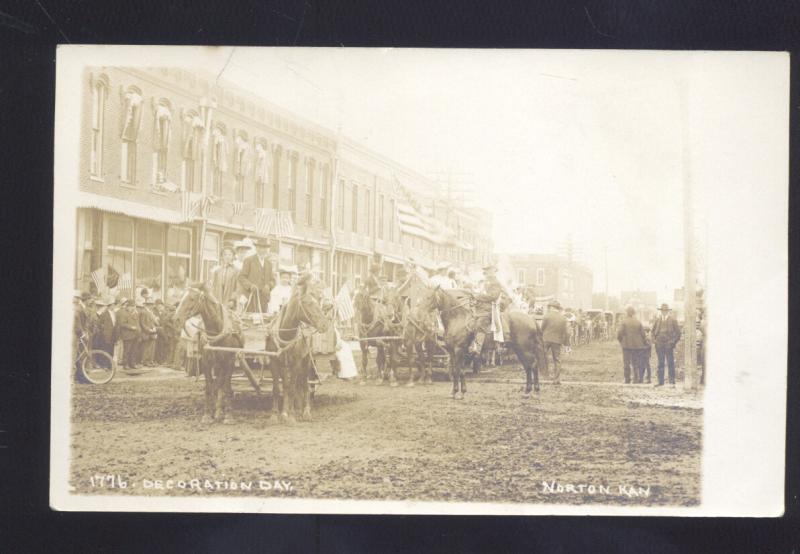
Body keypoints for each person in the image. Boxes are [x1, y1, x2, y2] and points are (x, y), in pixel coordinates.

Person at [469, 264, 503, 358]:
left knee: (480, 324)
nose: (487, 272)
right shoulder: (484, 282)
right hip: (479, 307)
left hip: (490, 307)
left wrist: (478, 296)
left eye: (489, 270)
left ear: (493, 271)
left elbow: (493, 297)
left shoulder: (496, 283)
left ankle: (477, 349)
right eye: (486, 271)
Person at [237, 237, 275, 313]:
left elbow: (273, 280)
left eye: (265, 248)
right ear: (257, 248)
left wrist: (269, 286)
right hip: (251, 296)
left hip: (264, 298)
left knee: (263, 320)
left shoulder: (269, 263)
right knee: (250, 320)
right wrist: (250, 286)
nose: (263, 250)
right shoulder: (249, 260)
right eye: (261, 247)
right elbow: (241, 277)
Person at [617, 305, 649, 384]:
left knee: (626, 363)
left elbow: (619, 333)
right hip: (637, 346)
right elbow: (643, 334)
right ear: (633, 313)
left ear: (627, 313)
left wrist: (621, 341)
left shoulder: (624, 322)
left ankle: (627, 379)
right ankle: (636, 379)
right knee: (635, 363)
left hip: (626, 345)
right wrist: (643, 342)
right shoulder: (638, 322)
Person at [651, 303, 681, 387]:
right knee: (660, 363)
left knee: (670, 362)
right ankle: (660, 382)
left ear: (668, 311)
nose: (664, 312)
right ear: (661, 311)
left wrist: (672, 342)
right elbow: (652, 332)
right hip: (659, 344)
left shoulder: (673, 320)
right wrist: (654, 341)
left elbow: (678, 334)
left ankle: (672, 381)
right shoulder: (657, 320)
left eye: (665, 310)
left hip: (669, 345)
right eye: (662, 310)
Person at [541, 300, 569, 384]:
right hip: (557, 341)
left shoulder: (547, 316)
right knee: (557, 360)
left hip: (546, 339)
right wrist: (566, 344)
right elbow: (565, 332)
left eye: (549, 307)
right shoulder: (563, 318)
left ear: (552, 307)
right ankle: (556, 379)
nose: (548, 308)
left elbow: (542, 329)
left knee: (542, 357)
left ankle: (544, 375)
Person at [210, 241, 239, 308]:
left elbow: (237, 288)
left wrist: (232, 299)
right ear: (222, 257)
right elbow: (213, 287)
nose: (227, 257)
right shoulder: (217, 271)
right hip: (218, 301)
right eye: (225, 255)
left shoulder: (236, 271)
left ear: (233, 257)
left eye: (229, 255)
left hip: (229, 302)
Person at [115, 297, 142, 370]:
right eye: (131, 306)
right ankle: (125, 364)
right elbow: (122, 324)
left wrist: (139, 332)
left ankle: (132, 364)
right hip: (127, 335)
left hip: (135, 335)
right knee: (127, 350)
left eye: (133, 306)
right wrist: (131, 327)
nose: (133, 308)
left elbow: (138, 323)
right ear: (127, 306)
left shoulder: (135, 313)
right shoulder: (123, 313)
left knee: (134, 350)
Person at [92, 296, 117, 361]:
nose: (114, 306)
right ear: (110, 305)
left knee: (112, 349)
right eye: (113, 305)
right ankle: (105, 364)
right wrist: (104, 331)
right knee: (106, 349)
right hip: (106, 335)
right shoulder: (104, 314)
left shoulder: (113, 313)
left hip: (113, 335)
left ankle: (110, 364)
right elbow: (99, 324)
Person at [139, 297, 159, 367]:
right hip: (146, 332)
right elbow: (142, 323)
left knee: (152, 347)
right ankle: (145, 361)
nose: (152, 306)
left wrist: (153, 328)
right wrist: (148, 329)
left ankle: (150, 361)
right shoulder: (143, 312)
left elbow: (152, 322)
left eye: (152, 304)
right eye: (150, 304)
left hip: (152, 332)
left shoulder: (151, 312)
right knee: (146, 348)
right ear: (147, 305)